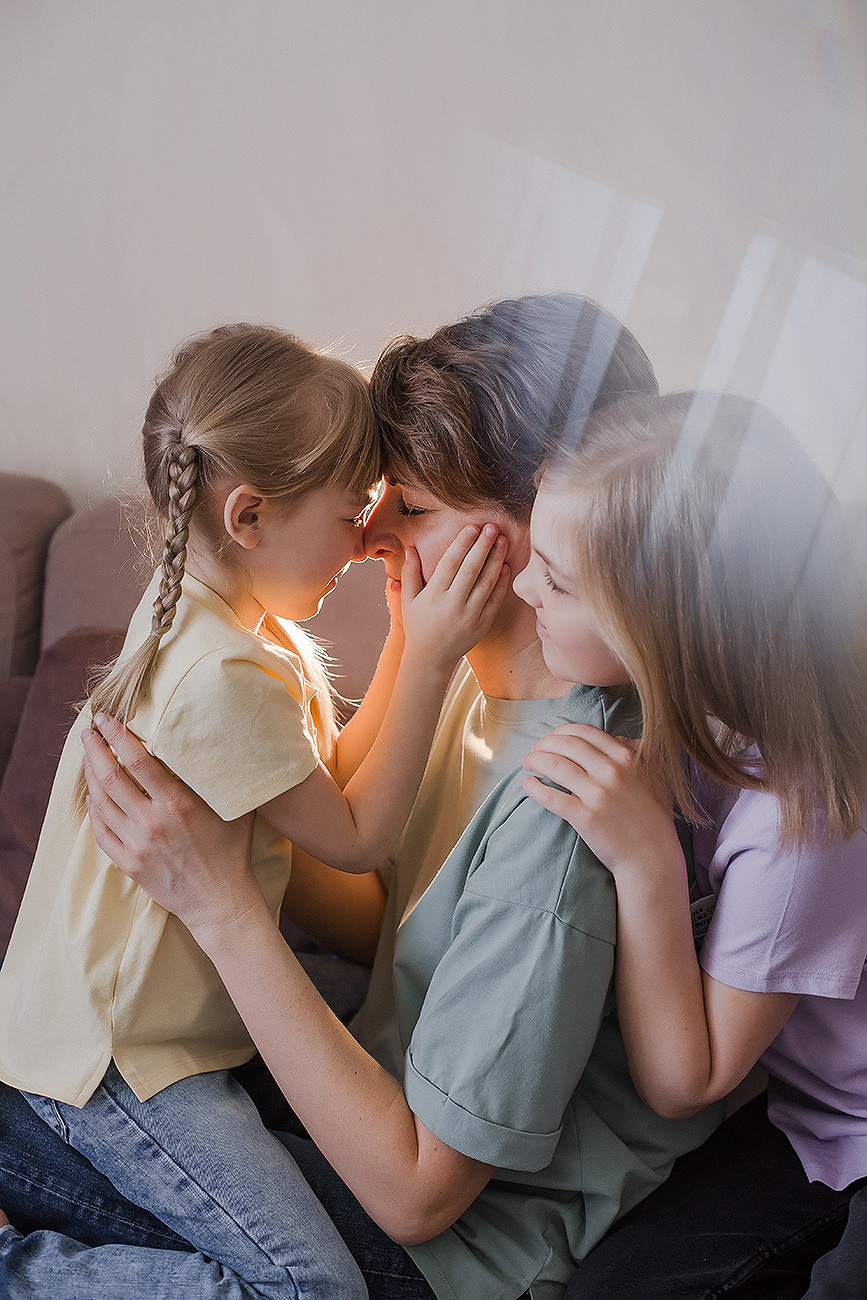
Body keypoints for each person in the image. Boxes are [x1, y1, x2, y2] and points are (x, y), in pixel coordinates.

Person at [0, 296, 721, 1300]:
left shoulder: (561, 815)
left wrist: (219, 901)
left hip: (435, 1252)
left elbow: (421, 1196)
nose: (370, 532)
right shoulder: (474, 674)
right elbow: (373, 897)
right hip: (346, 1117)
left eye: (411, 509)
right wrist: (233, 822)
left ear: (536, 534)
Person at [0, 322, 510, 1300]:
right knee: (311, 1288)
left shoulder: (207, 620)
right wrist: (433, 653)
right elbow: (360, 839)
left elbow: (328, 803)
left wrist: (409, 635)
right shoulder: (222, 676)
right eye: (349, 512)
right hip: (121, 1063)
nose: (365, 542)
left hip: (127, 1039)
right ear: (248, 516)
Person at [514, 390, 867, 1298]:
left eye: (553, 579)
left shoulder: (802, 821)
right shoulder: (694, 700)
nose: (522, 588)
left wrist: (643, 862)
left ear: (661, 623)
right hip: (803, 1112)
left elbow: (688, 1077)